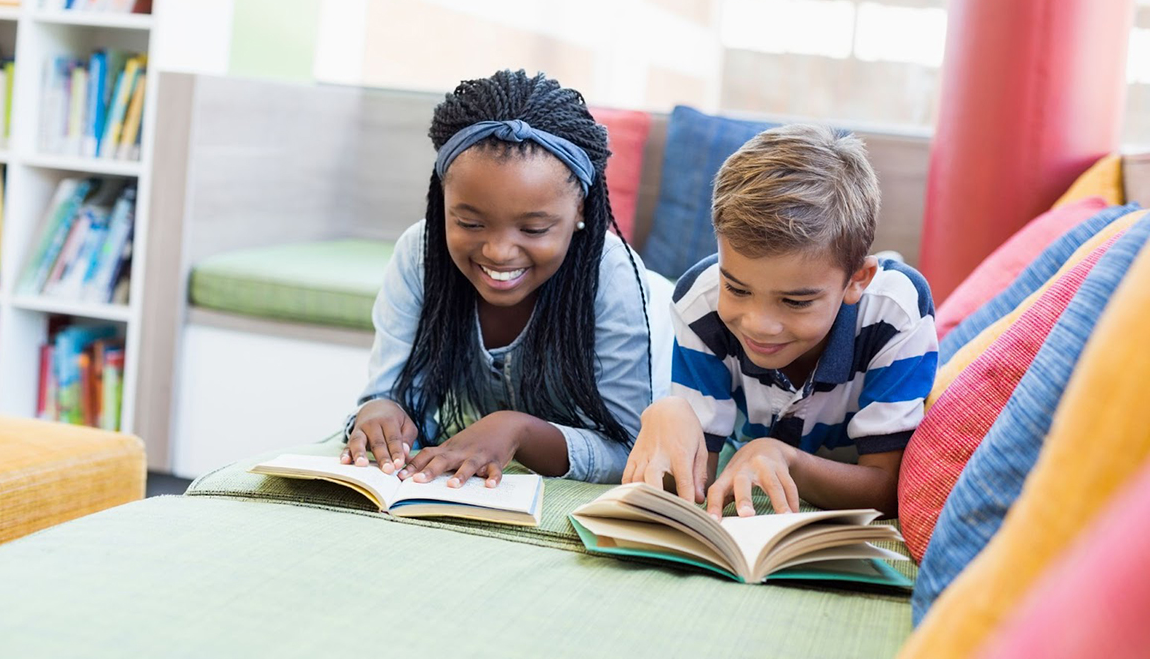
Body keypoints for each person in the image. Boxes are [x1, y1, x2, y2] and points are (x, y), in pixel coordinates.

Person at [341, 69, 669, 487]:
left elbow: (632, 450)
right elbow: (394, 394)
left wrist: (519, 430)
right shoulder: (419, 253)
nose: (499, 252)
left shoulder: (612, 276)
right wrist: (380, 412)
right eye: (470, 223)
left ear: (582, 211)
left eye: (533, 230)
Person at [623, 124, 936, 518]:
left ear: (858, 279)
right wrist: (668, 415)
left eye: (794, 301)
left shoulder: (895, 311)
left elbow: (888, 489)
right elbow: (695, 485)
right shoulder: (700, 304)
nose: (759, 325)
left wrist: (784, 458)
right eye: (736, 289)